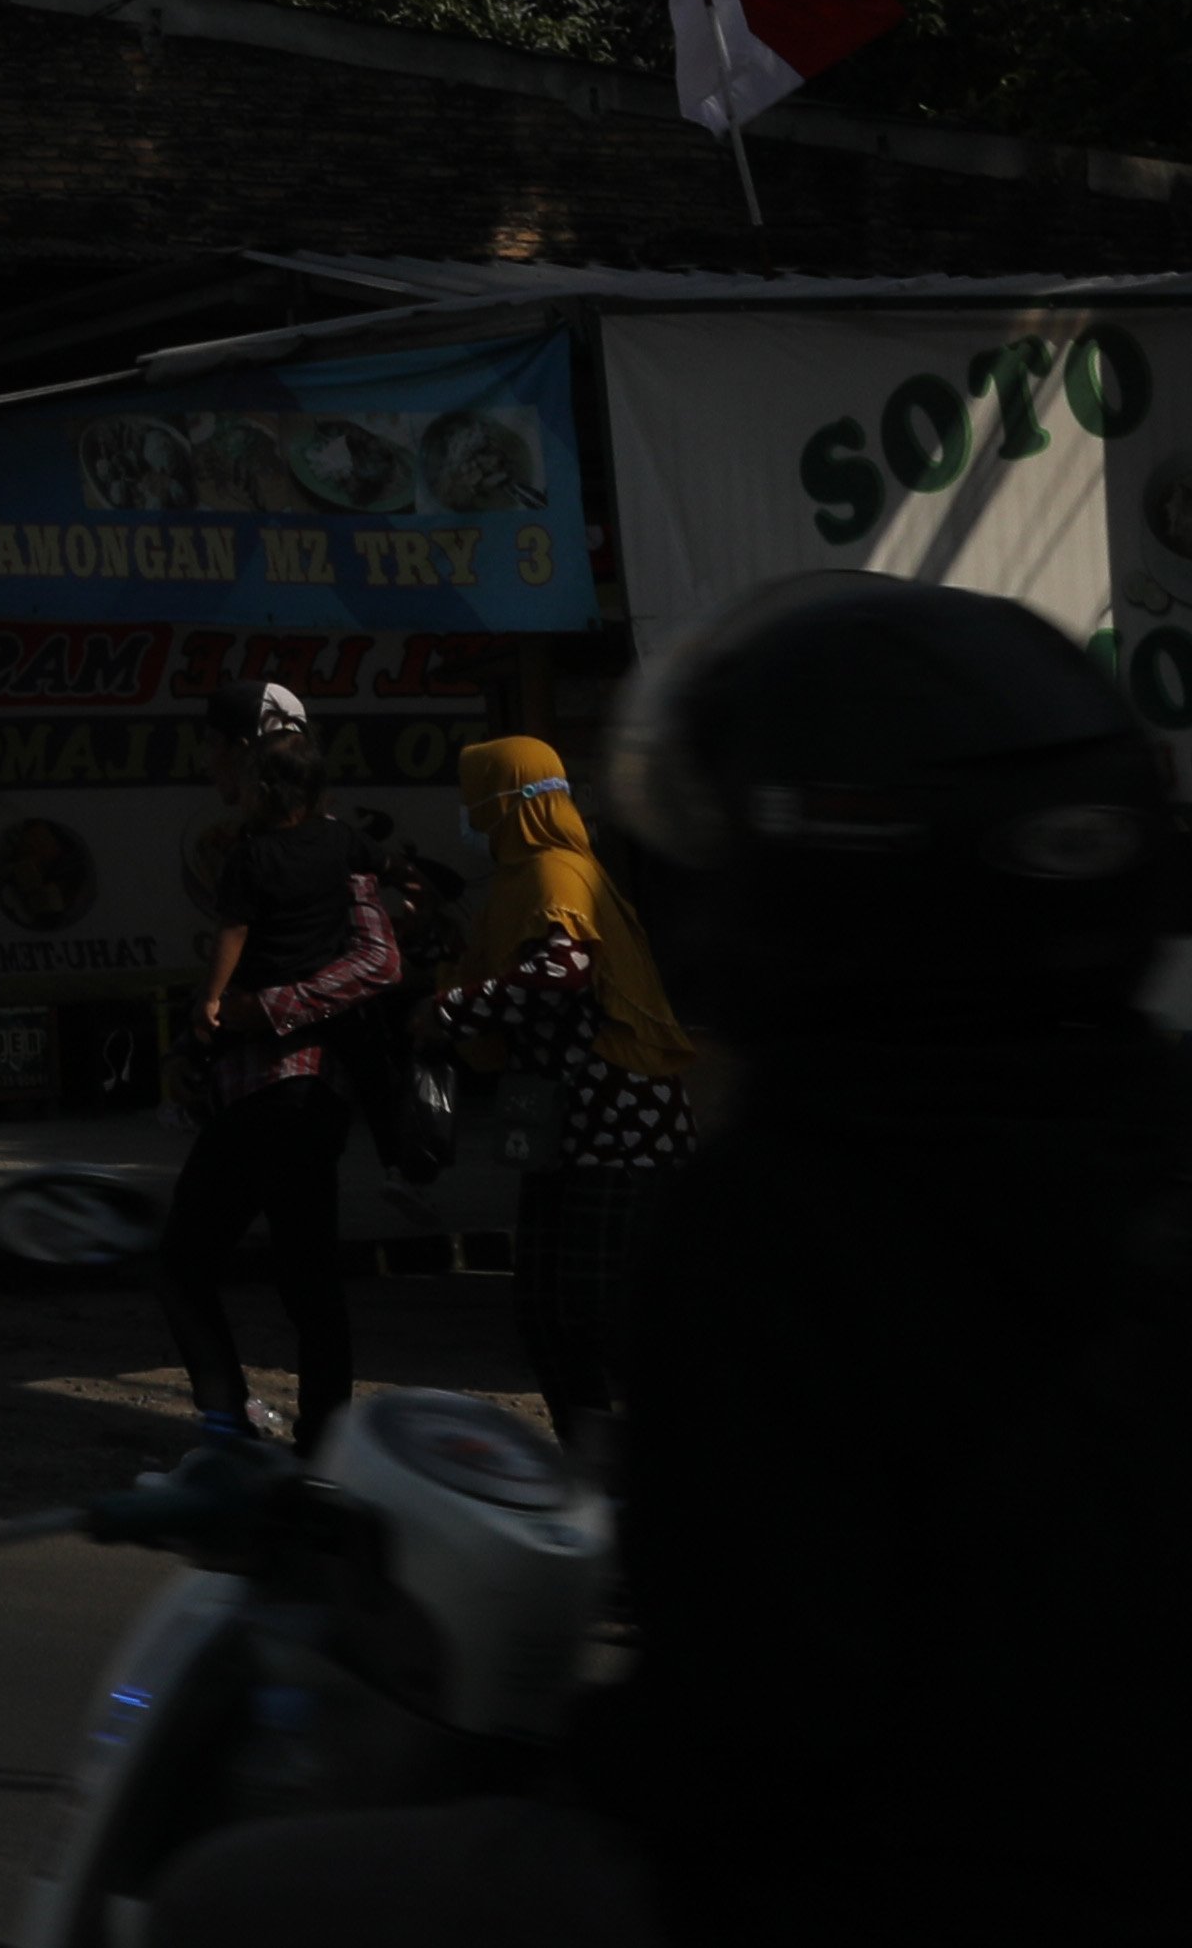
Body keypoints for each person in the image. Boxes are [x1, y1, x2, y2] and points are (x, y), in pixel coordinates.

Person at [153, 570, 1192, 1947]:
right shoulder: (1157, 1131)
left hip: (888, 1873)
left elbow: (755, 1718)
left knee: (230, 1899)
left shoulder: (787, 1208)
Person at [416, 733, 692, 1452]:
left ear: (506, 803)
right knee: (540, 1310)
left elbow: (561, 970)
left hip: (619, 1125)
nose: (468, 814)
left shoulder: (557, 872)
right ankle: (591, 1465)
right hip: (556, 1122)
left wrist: (451, 1010)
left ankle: (665, 1462)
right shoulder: (513, 885)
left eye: (476, 797)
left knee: (590, 1311)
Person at [157, 679, 394, 1447]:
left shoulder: (295, 852)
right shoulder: (299, 849)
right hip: (286, 1096)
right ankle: (322, 1448)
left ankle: (233, 1430)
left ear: (249, 758)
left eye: (214, 747)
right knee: (307, 1283)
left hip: (283, 1092)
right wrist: (199, 1046)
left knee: (185, 1266)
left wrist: (267, 1009)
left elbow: (377, 960)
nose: (206, 763)